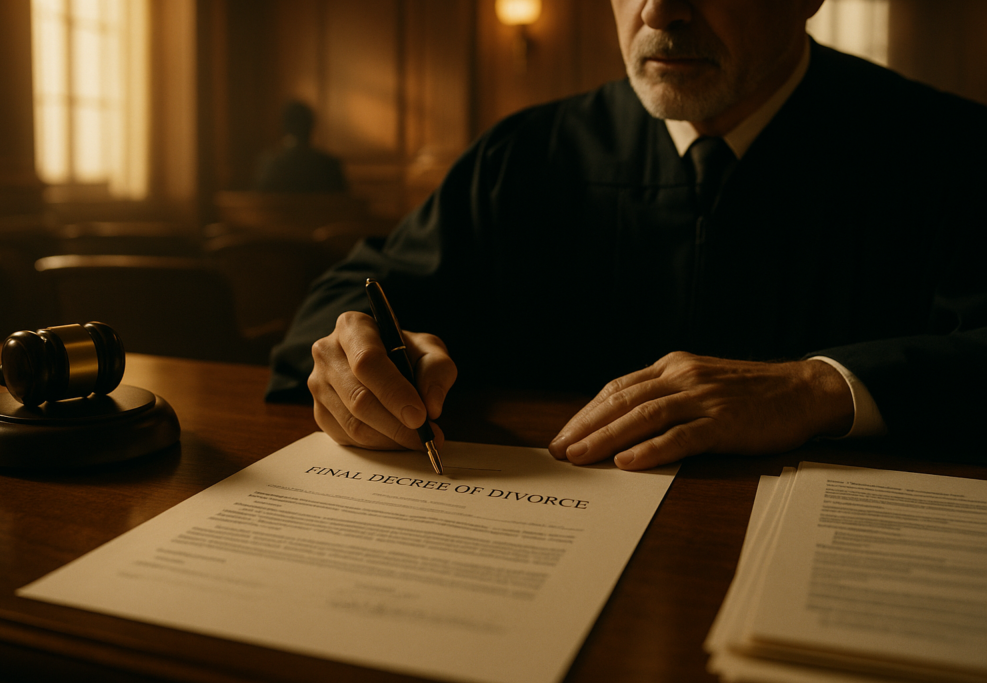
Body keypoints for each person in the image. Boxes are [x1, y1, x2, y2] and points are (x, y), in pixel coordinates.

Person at [267, 0, 987, 469]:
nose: (658, 9)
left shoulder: (947, 152)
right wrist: (356, 357)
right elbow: (346, 298)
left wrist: (815, 388)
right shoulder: (527, 155)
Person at [255, 100, 347, 193]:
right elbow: (343, 203)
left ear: (283, 126)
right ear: (311, 126)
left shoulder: (270, 162)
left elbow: (260, 199)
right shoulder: (329, 165)